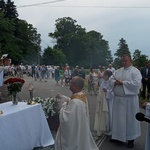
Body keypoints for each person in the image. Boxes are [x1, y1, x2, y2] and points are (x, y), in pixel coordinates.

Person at [55, 76, 98, 150]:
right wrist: (63, 97)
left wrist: (63, 105)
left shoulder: (75, 103)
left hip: (73, 134)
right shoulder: (81, 95)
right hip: (80, 126)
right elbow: (72, 100)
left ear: (75, 85)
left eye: (71, 82)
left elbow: (66, 119)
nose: (69, 83)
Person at [110, 54, 142, 148]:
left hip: (129, 100)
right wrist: (114, 82)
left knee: (130, 120)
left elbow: (136, 84)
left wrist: (123, 83)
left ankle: (130, 139)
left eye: (126, 61)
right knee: (118, 119)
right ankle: (118, 137)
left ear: (130, 61)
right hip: (118, 99)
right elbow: (111, 79)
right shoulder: (118, 71)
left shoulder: (135, 71)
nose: (124, 62)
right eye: (122, 61)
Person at [94, 70, 114, 136]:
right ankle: (104, 126)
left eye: (104, 75)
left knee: (109, 114)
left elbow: (113, 92)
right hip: (103, 100)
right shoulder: (103, 82)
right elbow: (101, 88)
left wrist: (107, 91)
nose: (103, 76)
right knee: (103, 114)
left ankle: (110, 128)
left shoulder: (111, 82)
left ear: (108, 76)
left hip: (109, 101)